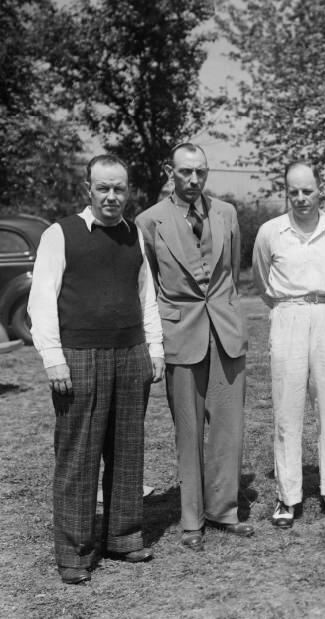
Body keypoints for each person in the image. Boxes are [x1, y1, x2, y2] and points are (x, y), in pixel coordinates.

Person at [28, 154, 165, 585]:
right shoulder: (60, 234)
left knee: (126, 451)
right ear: (89, 188)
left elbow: (146, 297)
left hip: (130, 355)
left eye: (119, 188)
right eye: (103, 188)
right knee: (78, 457)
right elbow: (41, 302)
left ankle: (123, 537)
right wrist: (54, 359)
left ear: (129, 191)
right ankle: (75, 552)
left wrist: (154, 350)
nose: (111, 196)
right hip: (79, 358)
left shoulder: (134, 236)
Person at [136, 143, 252, 551]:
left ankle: (225, 510)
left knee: (227, 428)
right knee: (187, 431)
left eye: (200, 172)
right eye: (185, 172)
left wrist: (227, 313)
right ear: (171, 171)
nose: (193, 179)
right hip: (180, 335)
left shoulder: (227, 214)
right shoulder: (149, 221)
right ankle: (191, 520)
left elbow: (232, 273)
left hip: (225, 333)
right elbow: (147, 284)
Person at [252, 161, 325, 528]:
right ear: (286, 192)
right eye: (293, 191)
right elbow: (262, 279)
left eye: (307, 190)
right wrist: (289, 307)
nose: (300, 198)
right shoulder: (270, 232)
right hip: (288, 315)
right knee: (287, 409)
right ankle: (287, 496)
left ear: (319, 189)